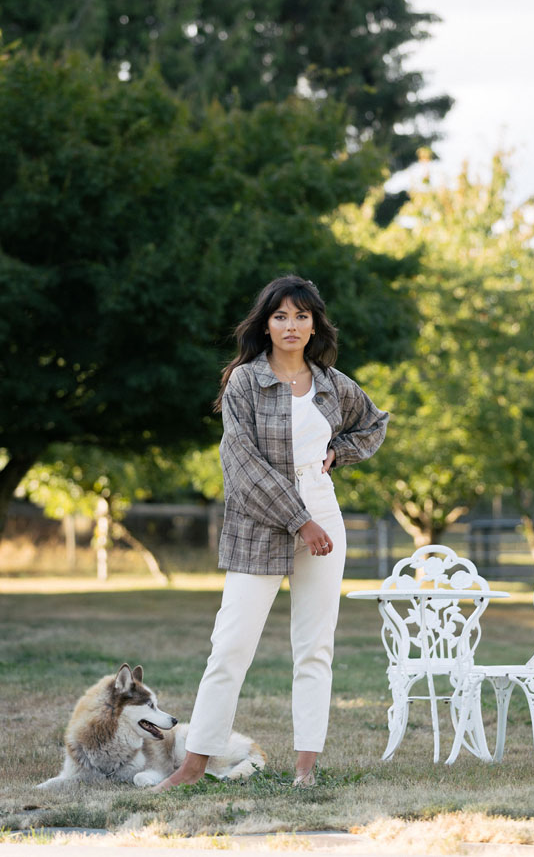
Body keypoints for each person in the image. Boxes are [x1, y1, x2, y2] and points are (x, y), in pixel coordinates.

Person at [154, 274, 389, 791]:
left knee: (315, 647)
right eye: (280, 316)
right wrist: (298, 520)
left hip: (323, 517)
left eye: (301, 316)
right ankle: (192, 767)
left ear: (313, 325)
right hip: (262, 522)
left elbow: (373, 425)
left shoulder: (332, 383)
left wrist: (338, 453)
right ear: (265, 324)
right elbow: (241, 463)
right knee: (230, 646)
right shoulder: (244, 382)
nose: (290, 325)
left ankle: (305, 769)